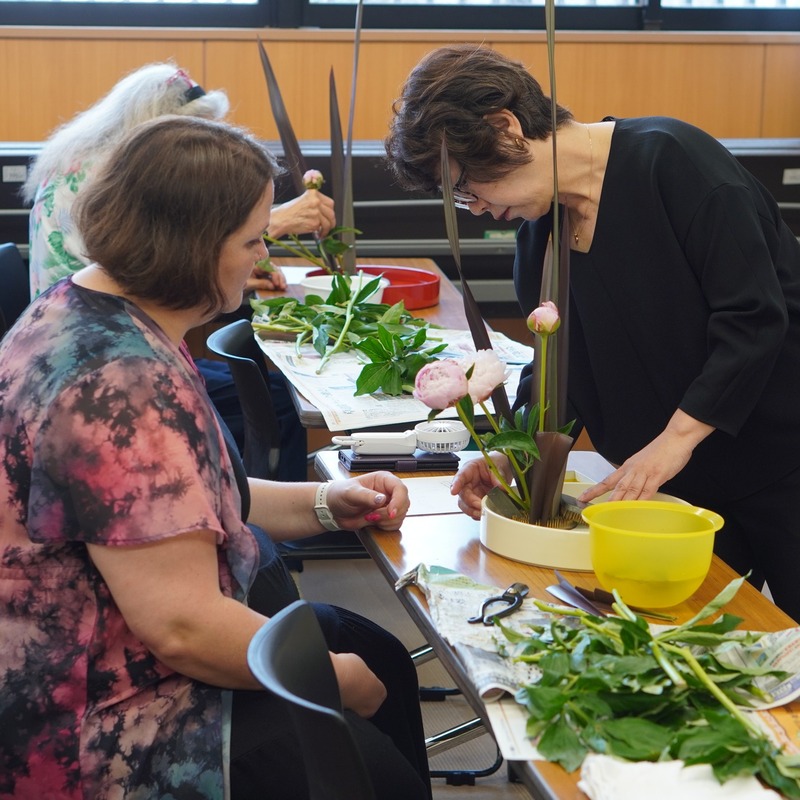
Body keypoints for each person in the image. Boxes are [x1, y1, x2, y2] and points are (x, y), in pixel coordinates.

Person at [0, 115, 430, 800]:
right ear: (192, 247)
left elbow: (179, 500)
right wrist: (334, 678)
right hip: (101, 713)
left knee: (378, 657)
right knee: (367, 760)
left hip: (125, 656)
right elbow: (182, 627)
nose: (262, 257)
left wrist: (325, 502)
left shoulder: (84, 307)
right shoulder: (119, 383)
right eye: (252, 239)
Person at [384, 43, 800, 623]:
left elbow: (753, 319)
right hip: (678, 487)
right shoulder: (542, 233)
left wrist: (671, 444)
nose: (474, 209)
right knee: (692, 635)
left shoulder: (673, 163)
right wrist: (516, 450)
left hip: (780, 455)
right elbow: (559, 364)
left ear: (506, 129)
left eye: (468, 188)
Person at [21, 62, 335, 477]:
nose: (261, 253)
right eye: (249, 241)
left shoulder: (89, 173)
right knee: (276, 398)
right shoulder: (130, 387)